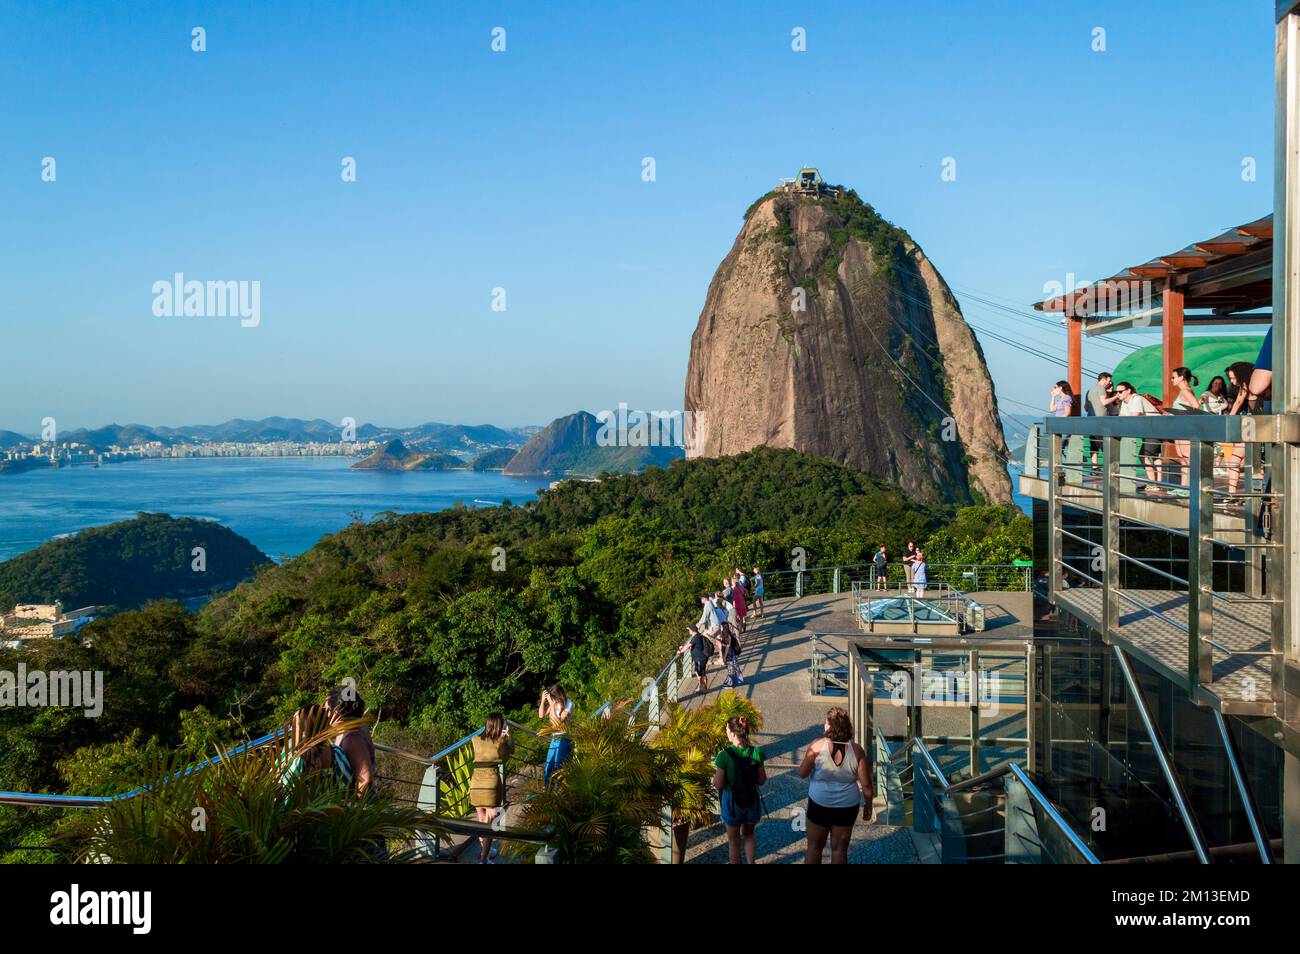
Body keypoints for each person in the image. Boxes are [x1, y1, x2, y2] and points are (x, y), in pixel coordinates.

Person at [798, 707, 874, 864]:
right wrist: (868, 805)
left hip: (820, 802)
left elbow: (802, 773)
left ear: (831, 726)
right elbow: (866, 785)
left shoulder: (817, 746)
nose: (824, 726)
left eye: (826, 723)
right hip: (847, 805)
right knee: (840, 849)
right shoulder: (857, 750)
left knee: (814, 847)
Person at [712, 716, 765, 864]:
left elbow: (718, 784)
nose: (726, 733)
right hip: (751, 798)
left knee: (733, 841)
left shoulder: (723, 755)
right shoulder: (756, 753)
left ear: (734, 734)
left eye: (727, 730)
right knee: (749, 835)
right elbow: (761, 780)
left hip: (731, 800)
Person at [469, 713, 515, 863]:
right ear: (500, 726)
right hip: (490, 785)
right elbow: (511, 751)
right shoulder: (500, 743)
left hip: (475, 783)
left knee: (482, 819)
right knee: (490, 825)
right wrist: (509, 735)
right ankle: (484, 859)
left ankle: (486, 850)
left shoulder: (475, 739)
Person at [325, 685, 376, 799]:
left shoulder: (352, 737)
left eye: (327, 709)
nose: (325, 713)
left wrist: (352, 808)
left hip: (359, 810)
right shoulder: (351, 730)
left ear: (336, 711)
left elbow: (365, 780)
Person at [1115, 381, 1162, 493]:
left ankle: (1153, 483)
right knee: (1156, 457)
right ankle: (1158, 484)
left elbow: (1135, 416)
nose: (1118, 394)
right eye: (1116, 392)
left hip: (1154, 430)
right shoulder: (1125, 402)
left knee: (1143, 456)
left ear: (1128, 391)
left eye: (1120, 391)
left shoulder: (1136, 399)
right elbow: (1121, 417)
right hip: (1149, 431)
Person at [1168, 367, 1200, 495]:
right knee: (1183, 459)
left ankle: (1188, 488)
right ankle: (1183, 487)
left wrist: (1182, 415)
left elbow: (1196, 406)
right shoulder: (1183, 390)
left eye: (1173, 377)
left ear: (1181, 378)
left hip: (1185, 428)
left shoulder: (1185, 390)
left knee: (1187, 458)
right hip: (1180, 428)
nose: (1171, 380)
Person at [539, 684, 574, 785]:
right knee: (548, 767)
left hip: (564, 738)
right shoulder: (554, 703)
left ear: (559, 695)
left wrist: (551, 703)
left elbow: (558, 724)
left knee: (559, 767)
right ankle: (548, 792)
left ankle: (560, 792)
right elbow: (541, 715)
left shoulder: (569, 703)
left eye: (554, 697)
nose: (553, 699)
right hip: (555, 739)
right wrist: (543, 701)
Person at [1085, 372, 1117, 469]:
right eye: (1109, 380)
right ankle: (1109, 468)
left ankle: (1094, 468)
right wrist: (1116, 396)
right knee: (1105, 445)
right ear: (1104, 379)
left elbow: (1086, 407)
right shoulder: (1101, 389)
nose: (1110, 382)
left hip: (1090, 420)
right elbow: (1104, 402)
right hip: (1101, 421)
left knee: (1094, 445)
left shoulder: (1090, 390)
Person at [681, 624, 714, 694]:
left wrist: (680, 651)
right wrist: (683, 647)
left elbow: (688, 645)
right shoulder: (698, 635)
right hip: (702, 657)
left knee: (700, 674)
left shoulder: (695, 637)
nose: (688, 631)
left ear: (693, 630)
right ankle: (703, 688)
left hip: (699, 658)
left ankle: (703, 688)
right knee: (702, 673)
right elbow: (694, 646)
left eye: (689, 630)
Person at [721, 623, 744, 687]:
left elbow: (727, 647)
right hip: (732, 654)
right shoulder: (728, 634)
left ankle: (730, 683)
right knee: (734, 667)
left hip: (729, 655)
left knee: (730, 668)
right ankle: (736, 680)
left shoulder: (727, 636)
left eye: (721, 627)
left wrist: (724, 657)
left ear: (723, 628)